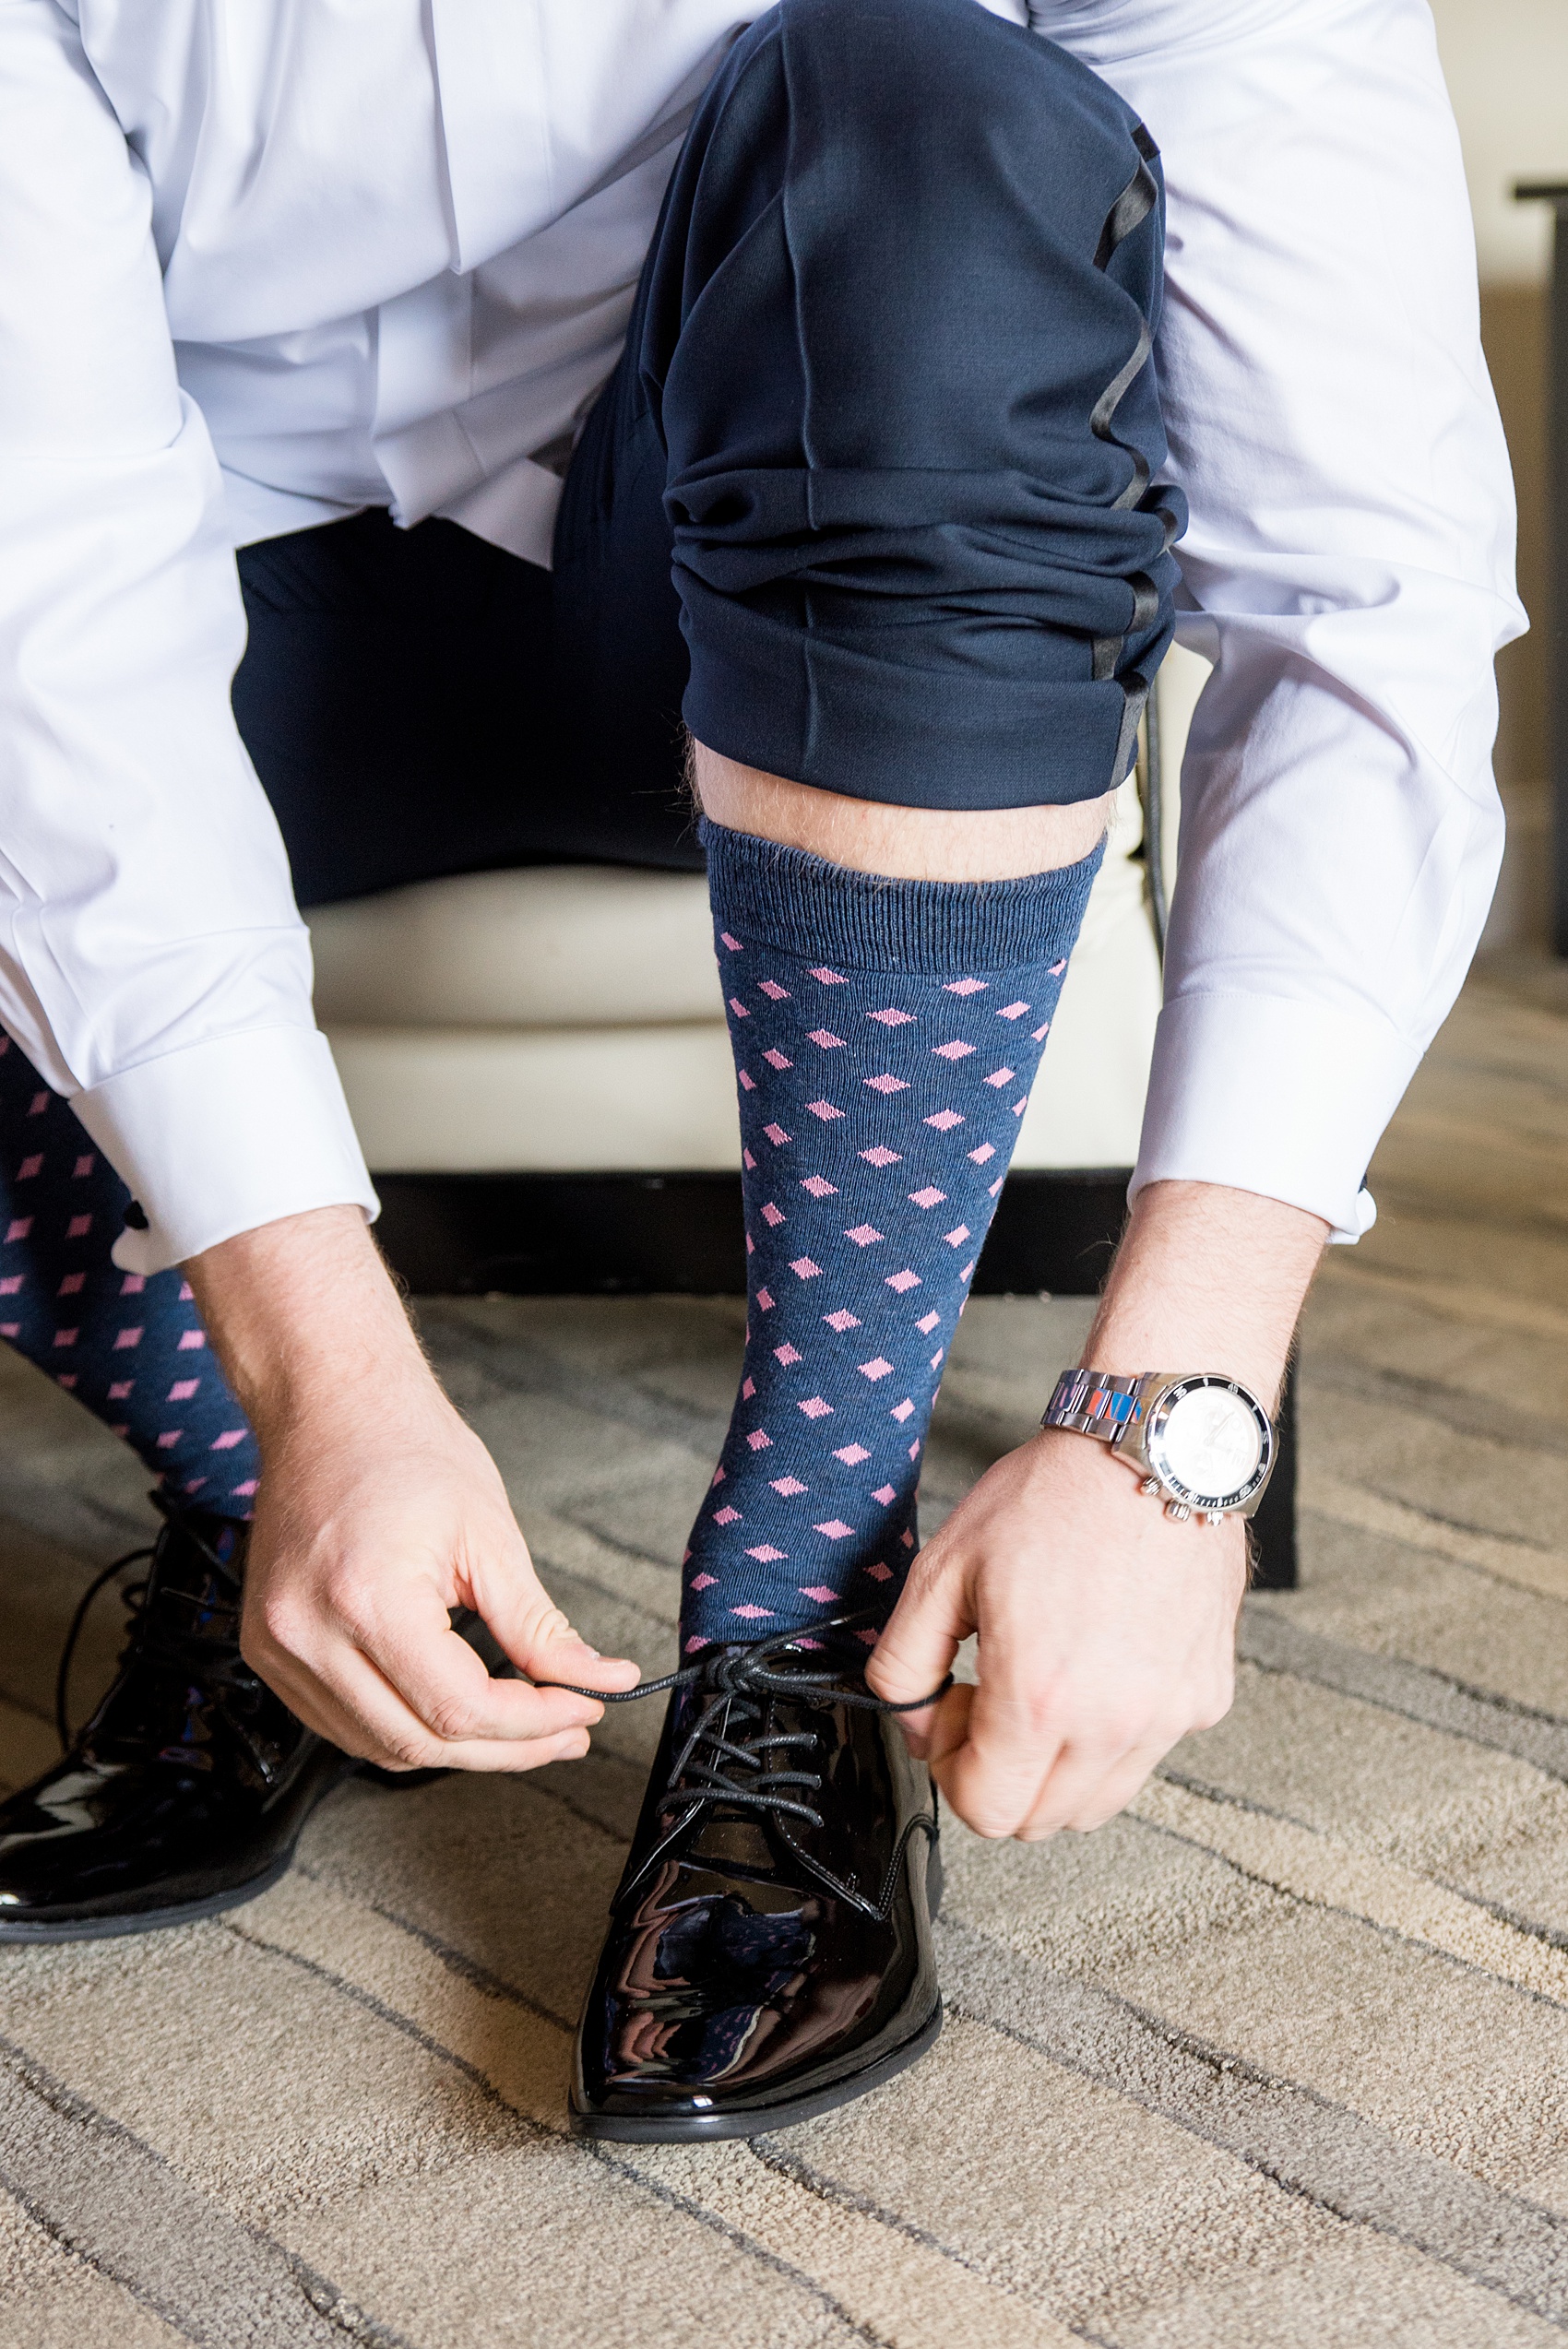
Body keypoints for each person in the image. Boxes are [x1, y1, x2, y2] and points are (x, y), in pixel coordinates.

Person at [0, 0, 1517, 2139]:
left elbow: (1360, 591)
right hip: (223, 615)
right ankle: (272, 1514)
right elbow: (39, 593)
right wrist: (317, 1384)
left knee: (921, 121)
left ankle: (800, 1610)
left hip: (806, 594)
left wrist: (1173, 1417)